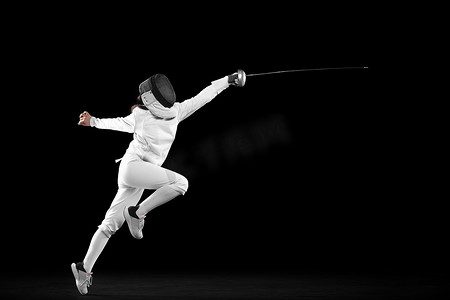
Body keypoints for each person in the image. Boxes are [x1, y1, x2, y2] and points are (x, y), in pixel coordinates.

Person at [71, 72, 240, 295]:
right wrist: (227, 80)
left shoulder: (152, 114)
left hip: (137, 174)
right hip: (133, 169)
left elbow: (204, 96)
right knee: (181, 183)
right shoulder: (174, 111)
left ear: (150, 98)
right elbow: (203, 96)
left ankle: (84, 269)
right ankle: (137, 213)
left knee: (110, 225)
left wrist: (92, 121)